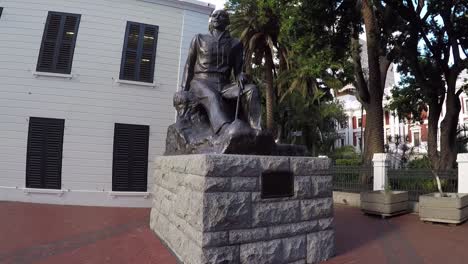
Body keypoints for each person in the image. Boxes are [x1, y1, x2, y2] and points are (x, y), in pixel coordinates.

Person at [180, 9, 262, 136]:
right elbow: (188, 66)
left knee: (252, 89)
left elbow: (239, 70)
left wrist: (241, 75)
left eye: (221, 16)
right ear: (211, 20)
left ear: (227, 21)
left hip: (224, 85)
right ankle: (224, 129)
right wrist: (183, 89)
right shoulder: (199, 39)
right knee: (212, 96)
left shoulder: (235, 44)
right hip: (200, 82)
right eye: (214, 15)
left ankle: (256, 130)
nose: (216, 17)